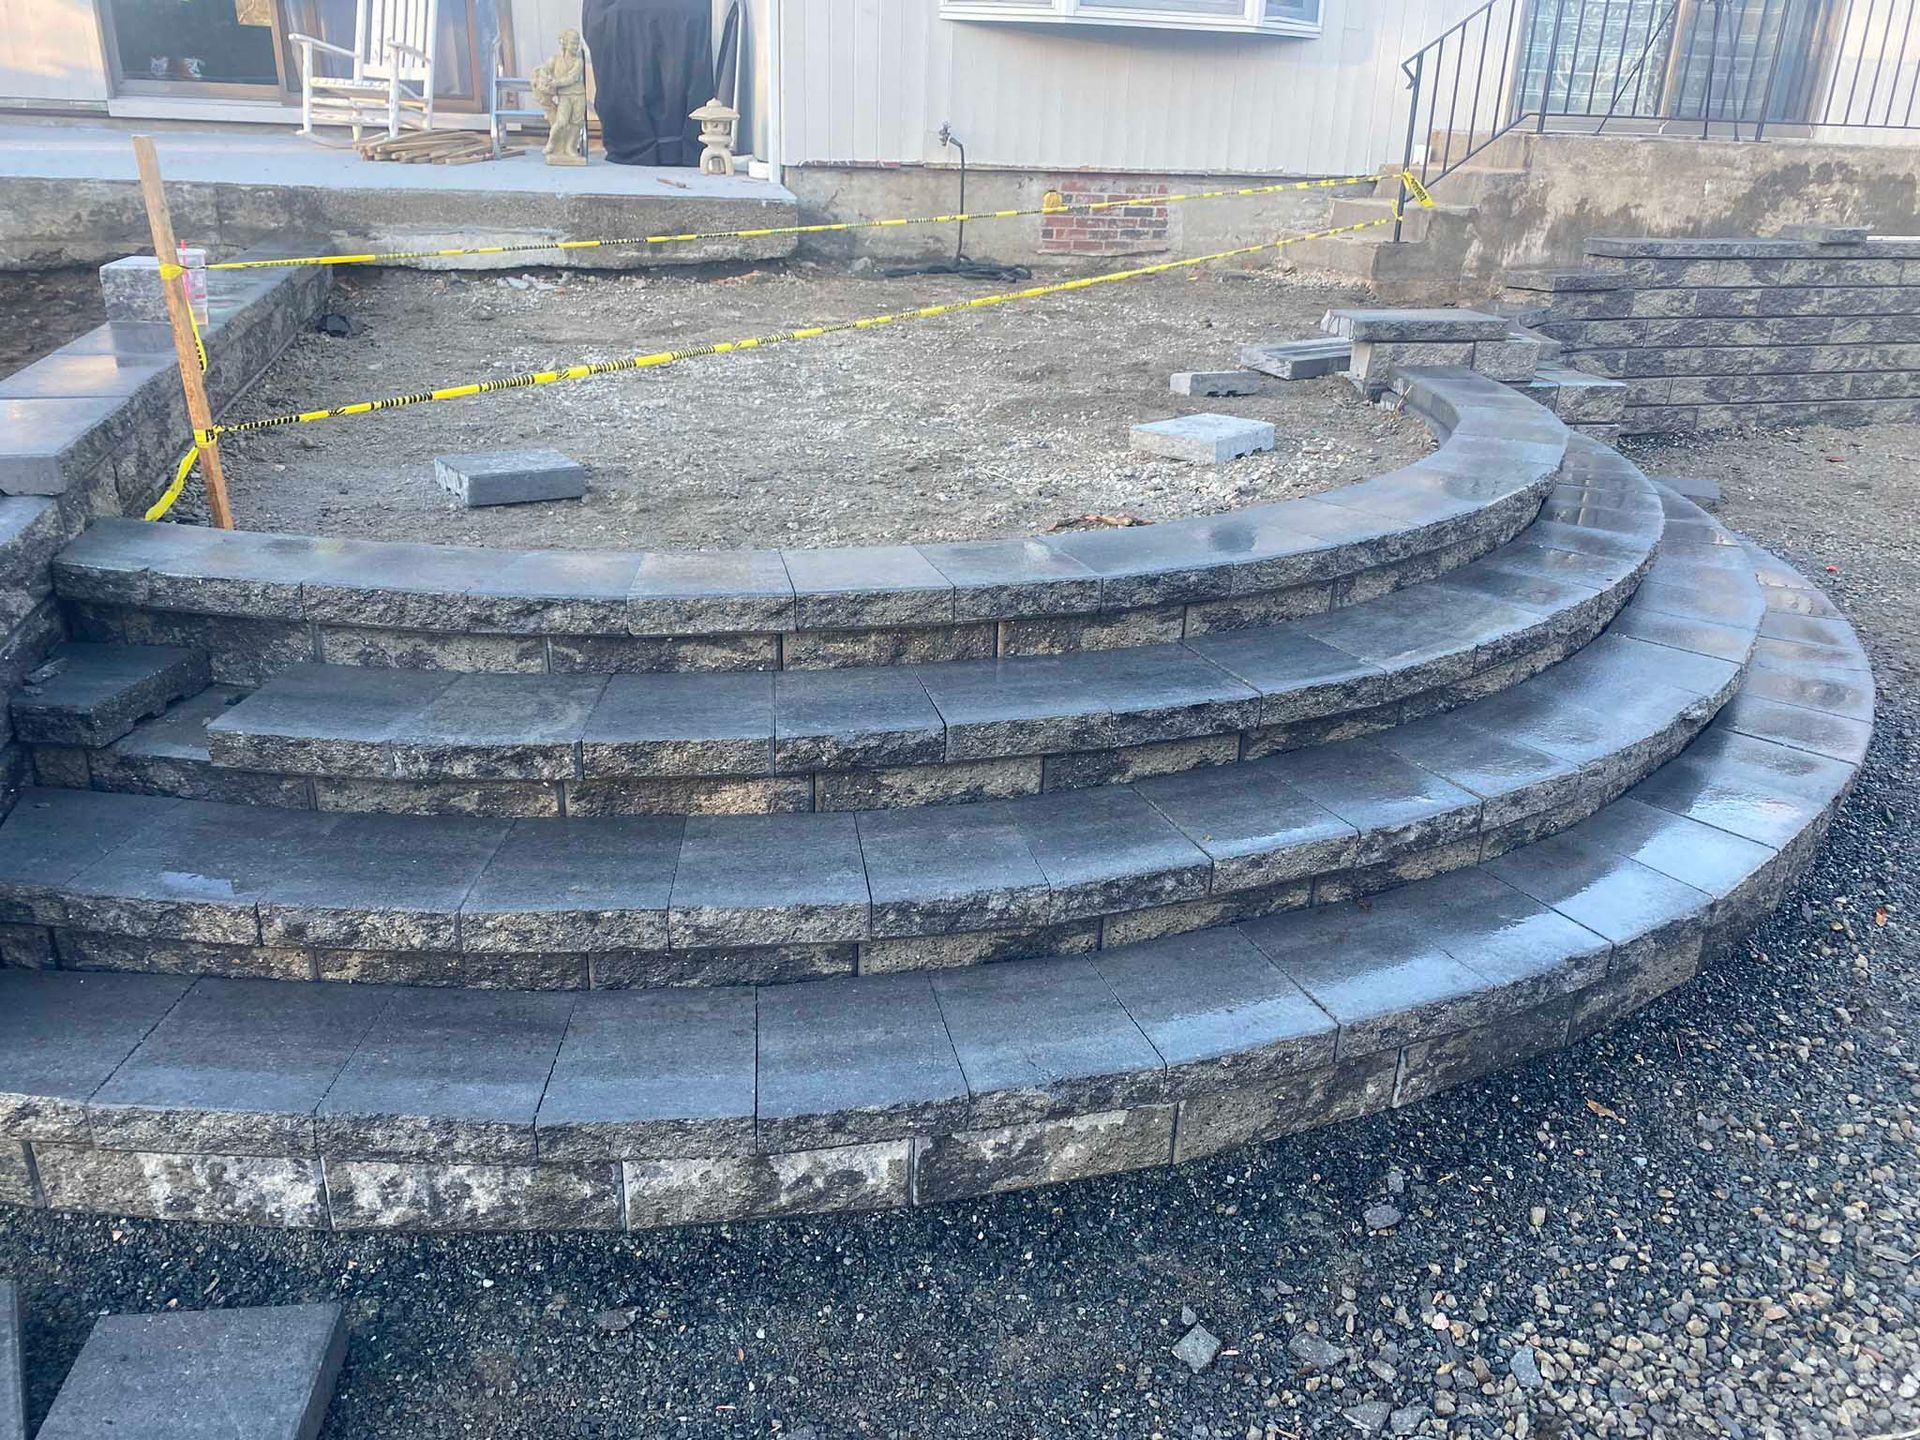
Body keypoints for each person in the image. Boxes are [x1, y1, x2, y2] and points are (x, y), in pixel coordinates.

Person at [531, 29, 589, 166]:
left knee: (576, 122)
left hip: (578, 95)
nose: (575, 46)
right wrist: (543, 77)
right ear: (564, 43)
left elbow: (572, 78)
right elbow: (544, 69)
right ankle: (552, 144)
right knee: (561, 122)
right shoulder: (555, 60)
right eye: (572, 43)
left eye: (576, 43)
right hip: (564, 96)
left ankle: (570, 148)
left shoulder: (579, 62)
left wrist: (555, 82)